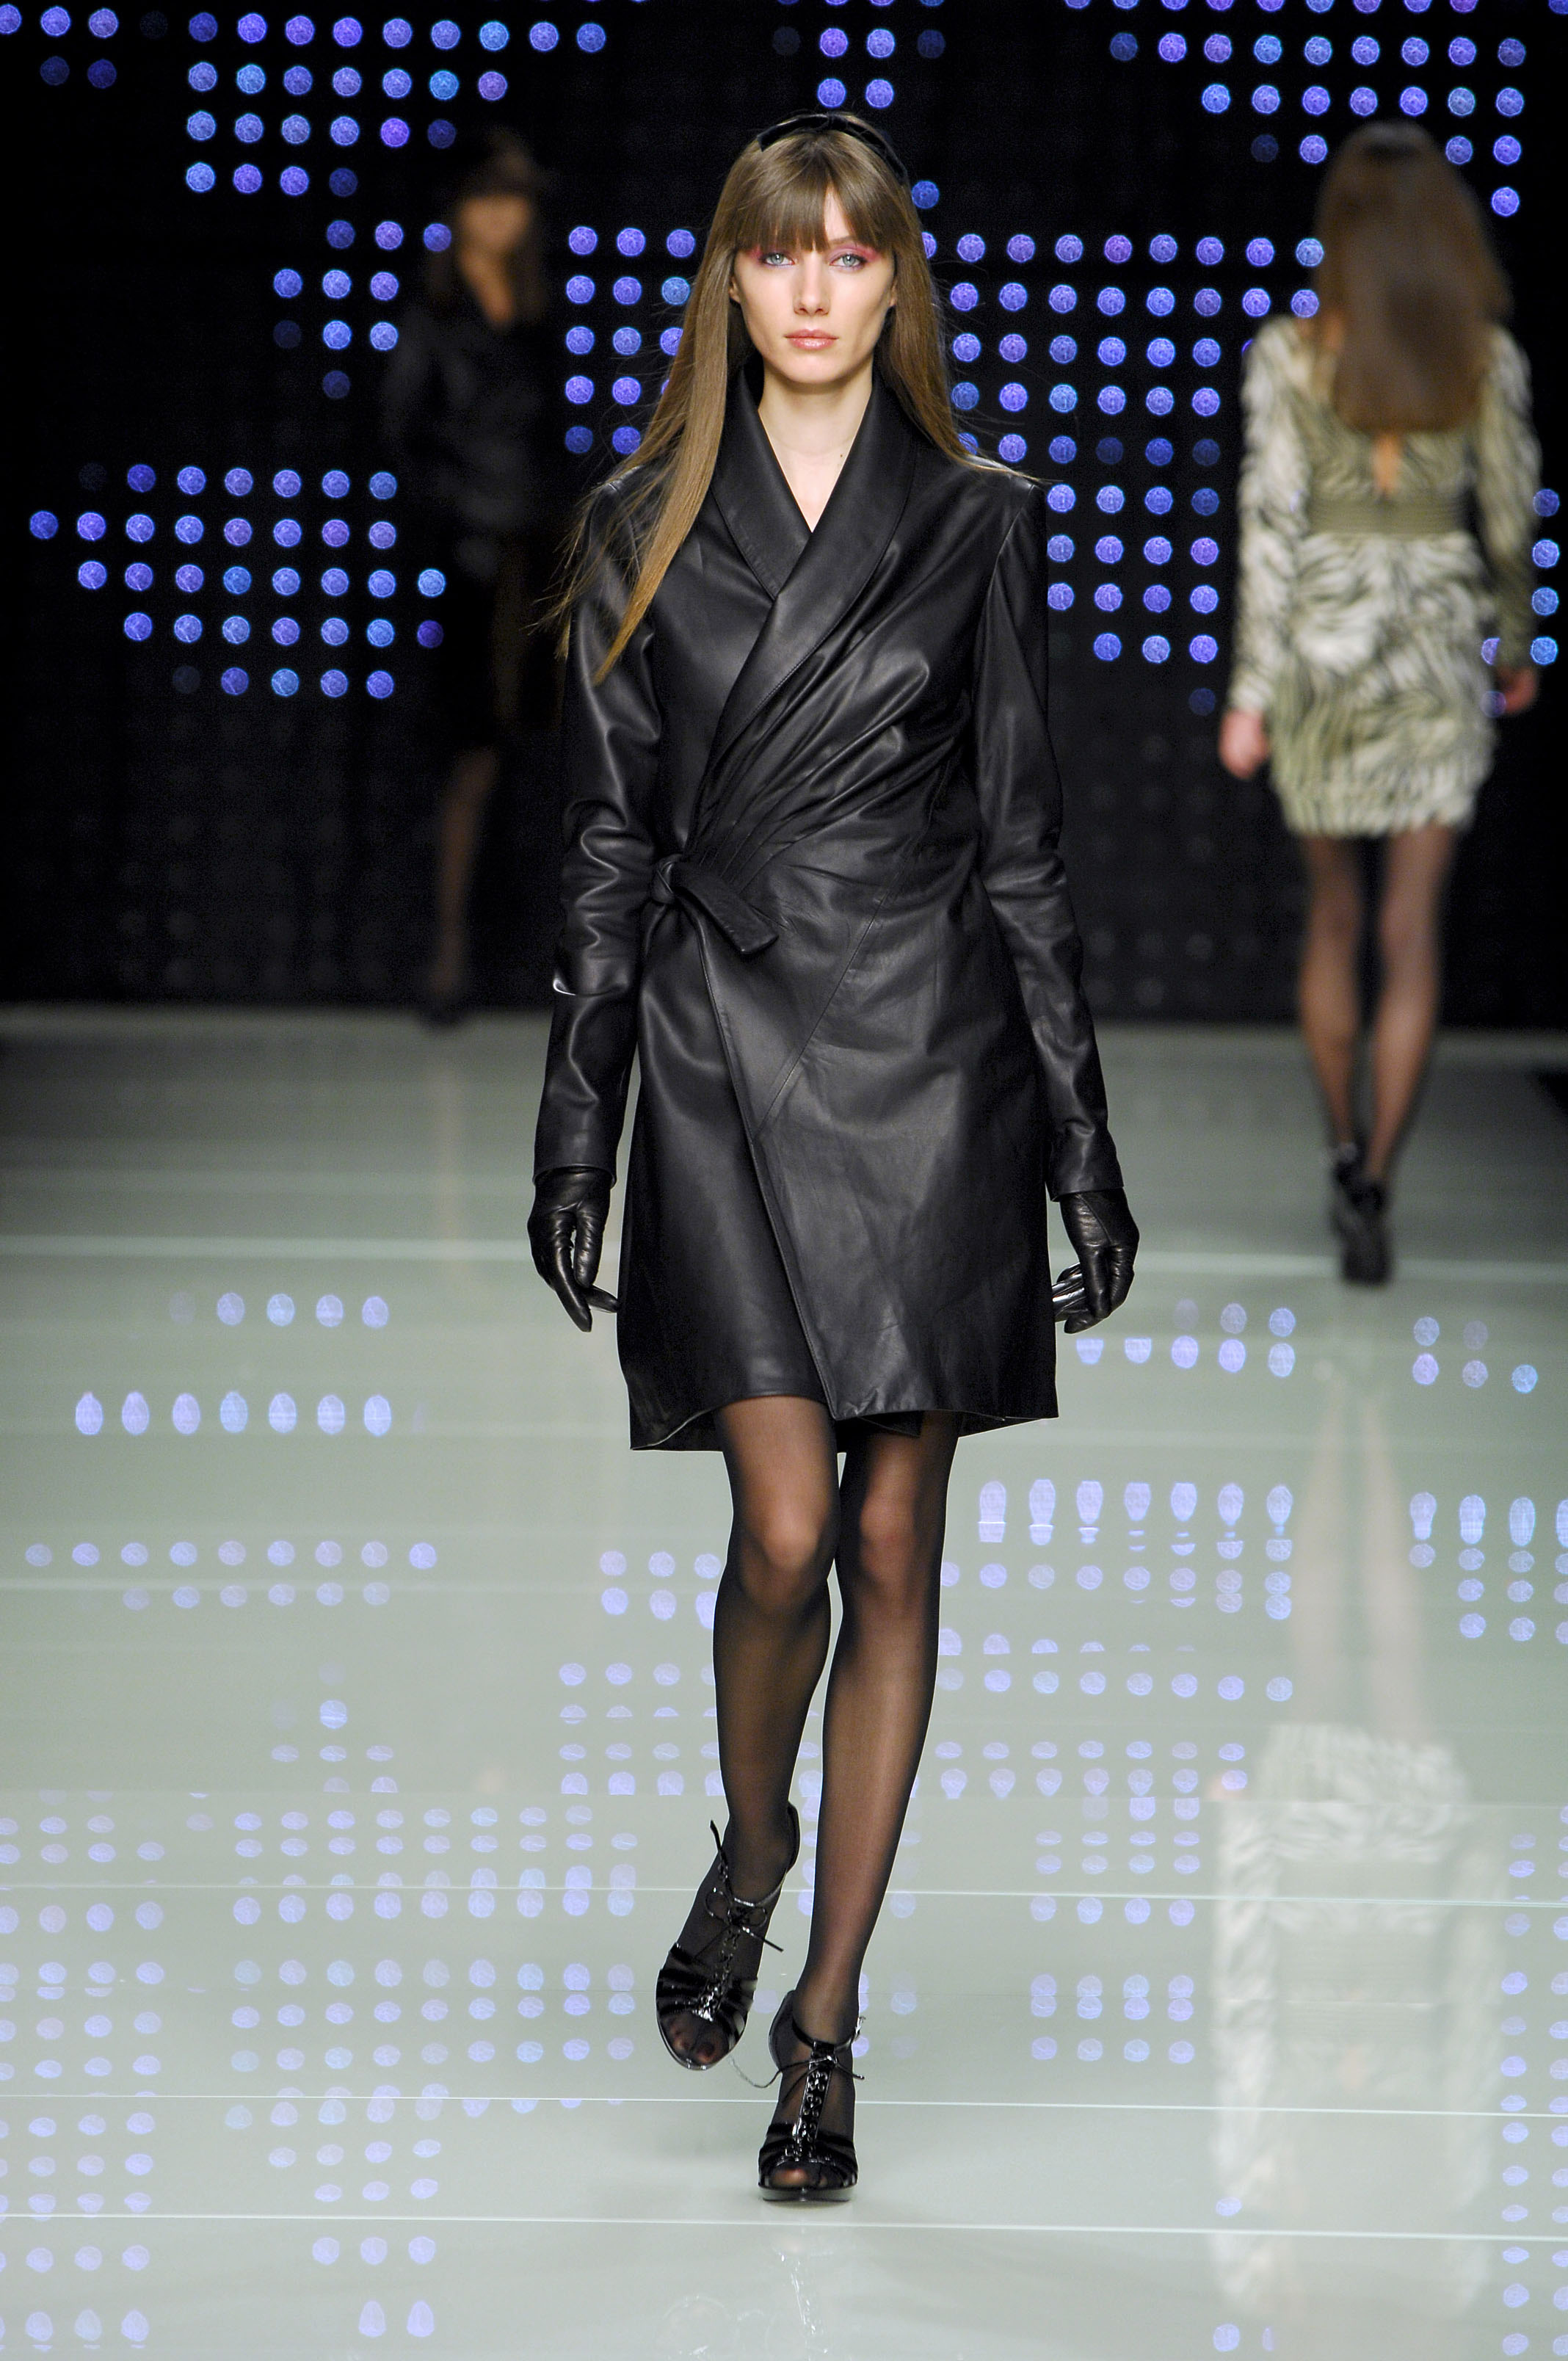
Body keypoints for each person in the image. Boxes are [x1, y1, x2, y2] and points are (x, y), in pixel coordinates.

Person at [527, 113, 1138, 2199]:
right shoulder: (638, 524)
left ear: (895, 283)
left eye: (851, 253)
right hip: (722, 1050)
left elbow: (1023, 846)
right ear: (730, 277)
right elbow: (611, 845)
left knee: (891, 1542)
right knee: (782, 1530)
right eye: (780, 252)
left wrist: (1080, 1138)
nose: (813, 288)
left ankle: (824, 2027)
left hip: (934, 1061)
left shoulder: (976, 519)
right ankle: (756, 1841)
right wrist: (579, 1122)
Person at [1219, 124, 1540, 1283]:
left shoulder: (1293, 354)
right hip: (1438, 651)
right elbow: (1509, 518)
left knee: (1335, 919)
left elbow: (1271, 526)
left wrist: (1250, 694)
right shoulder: (1484, 357)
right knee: (1411, 932)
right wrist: (1514, 641)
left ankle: (1344, 1149)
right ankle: (1380, 1182)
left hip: (1325, 653)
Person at [382, 132, 565, 1022]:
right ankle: (447, 958)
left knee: (548, 755)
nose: (503, 215)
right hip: (470, 562)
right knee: (471, 754)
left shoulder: (536, 316)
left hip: (542, 553)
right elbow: (402, 438)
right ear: (458, 208)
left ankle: (541, 960)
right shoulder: (434, 316)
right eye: (488, 196)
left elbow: (549, 441)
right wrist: (460, 521)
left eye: (517, 198)